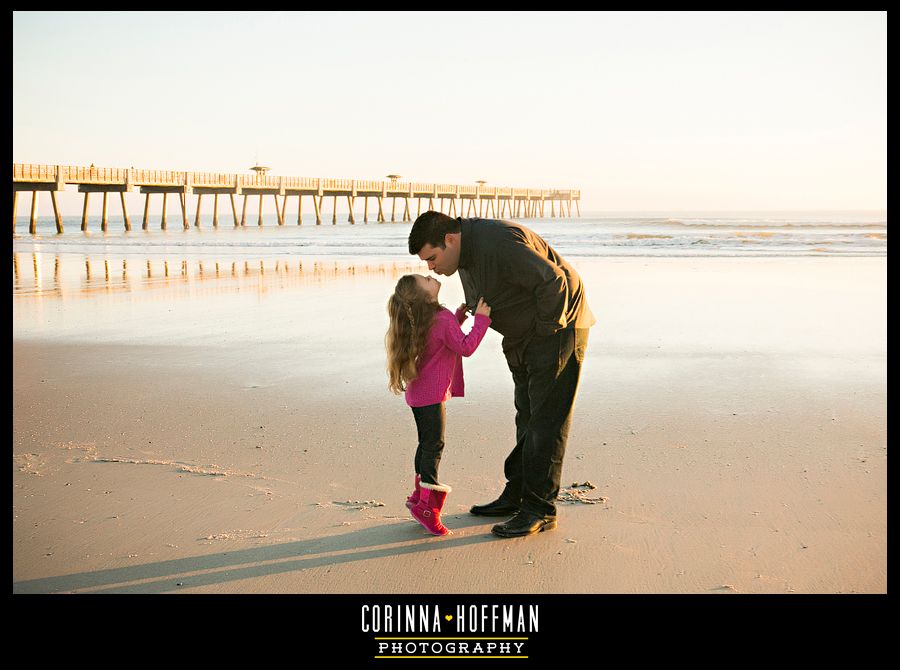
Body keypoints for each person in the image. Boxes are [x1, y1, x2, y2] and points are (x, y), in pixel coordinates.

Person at [408, 211, 595, 538]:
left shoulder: (499, 241)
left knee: (546, 420)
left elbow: (555, 282)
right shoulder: (462, 258)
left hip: (558, 329)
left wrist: (542, 336)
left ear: (450, 239)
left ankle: (540, 508)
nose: (431, 267)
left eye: (432, 258)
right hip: (523, 338)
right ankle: (518, 494)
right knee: (527, 415)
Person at [386, 273, 492, 535]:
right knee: (434, 446)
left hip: (418, 394)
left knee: (426, 445)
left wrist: (460, 317)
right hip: (431, 396)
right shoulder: (440, 318)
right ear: (425, 295)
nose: (430, 275)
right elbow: (465, 347)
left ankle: (418, 497)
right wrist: (482, 320)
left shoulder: (427, 319)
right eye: (426, 279)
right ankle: (427, 508)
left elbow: (440, 339)